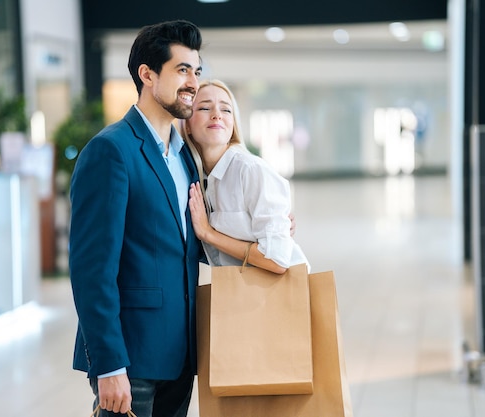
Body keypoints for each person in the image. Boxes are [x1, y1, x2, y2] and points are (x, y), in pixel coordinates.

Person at [68, 20, 204, 417]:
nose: (193, 82)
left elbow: (187, 244)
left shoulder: (183, 156)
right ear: (147, 74)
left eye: (197, 71)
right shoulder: (111, 151)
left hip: (180, 356)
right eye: (182, 70)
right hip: (130, 359)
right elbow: (92, 269)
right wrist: (108, 363)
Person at [182, 79, 309, 273]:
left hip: (281, 297)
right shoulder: (197, 179)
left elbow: (277, 260)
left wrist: (208, 233)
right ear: (187, 125)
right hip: (242, 294)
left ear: (233, 123)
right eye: (205, 108)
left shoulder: (249, 169)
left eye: (226, 110)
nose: (217, 115)